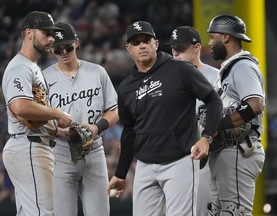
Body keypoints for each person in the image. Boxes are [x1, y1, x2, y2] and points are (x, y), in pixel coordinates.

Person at [106, 21, 223, 216]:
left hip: (180, 161)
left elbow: (214, 101)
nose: (142, 45)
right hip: (145, 165)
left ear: (156, 44)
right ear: (129, 48)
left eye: (146, 40)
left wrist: (206, 137)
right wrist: (120, 173)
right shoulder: (126, 87)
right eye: (136, 42)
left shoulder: (180, 69)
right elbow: (129, 131)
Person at [42, 22, 118, 216]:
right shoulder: (43, 79)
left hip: (94, 148)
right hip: (60, 151)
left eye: (67, 46)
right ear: (51, 49)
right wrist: (58, 131)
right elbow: (37, 120)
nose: (63, 52)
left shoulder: (97, 72)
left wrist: (97, 127)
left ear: (77, 43)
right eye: (58, 49)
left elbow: (114, 110)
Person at [1, 11, 73, 216]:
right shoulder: (20, 67)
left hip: (31, 143)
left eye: (53, 33)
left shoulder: (32, 67)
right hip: (29, 147)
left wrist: (58, 132)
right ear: (29, 33)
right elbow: (20, 107)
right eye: (46, 33)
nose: (51, 38)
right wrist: (57, 113)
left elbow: (31, 114)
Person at [206, 15, 266, 215]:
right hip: (225, 151)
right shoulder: (228, 68)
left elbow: (255, 105)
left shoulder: (242, 66)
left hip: (239, 150)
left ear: (225, 37)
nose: (210, 42)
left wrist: (218, 125)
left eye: (212, 37)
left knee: (234, 212)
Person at [167, 25, 220, 216]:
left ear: (197, 47)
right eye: (173, 49)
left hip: (206, 154)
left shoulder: (215, 76)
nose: (176, 53)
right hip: (176, 155)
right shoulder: (166, 79)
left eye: (181, 49)